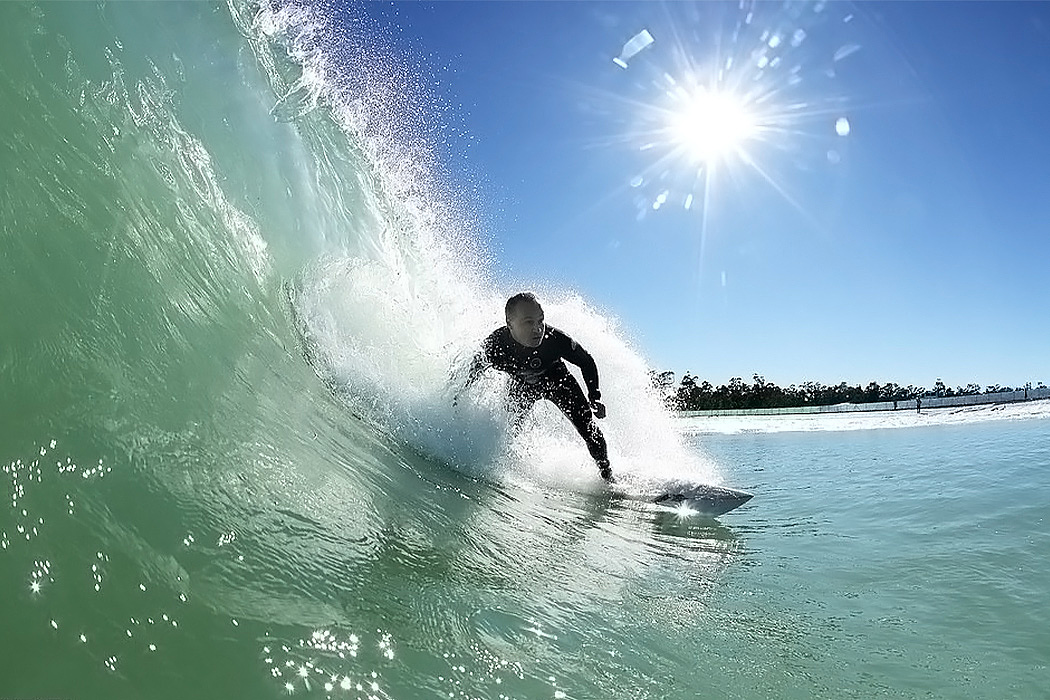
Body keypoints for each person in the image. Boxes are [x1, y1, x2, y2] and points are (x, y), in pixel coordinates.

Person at [455, 292, 613, 481]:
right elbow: (471, 371)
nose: (538, 329)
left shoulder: (554, 339)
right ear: (510, 324)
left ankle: (607, 476)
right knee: (508, 431)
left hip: (558, 382)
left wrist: (594, 396)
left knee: (588, 428)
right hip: (521, 388)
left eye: (540, 321)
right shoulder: (495, 345)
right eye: (528, 322)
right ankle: (503, 471)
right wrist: (456, 395)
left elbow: (586, 361)